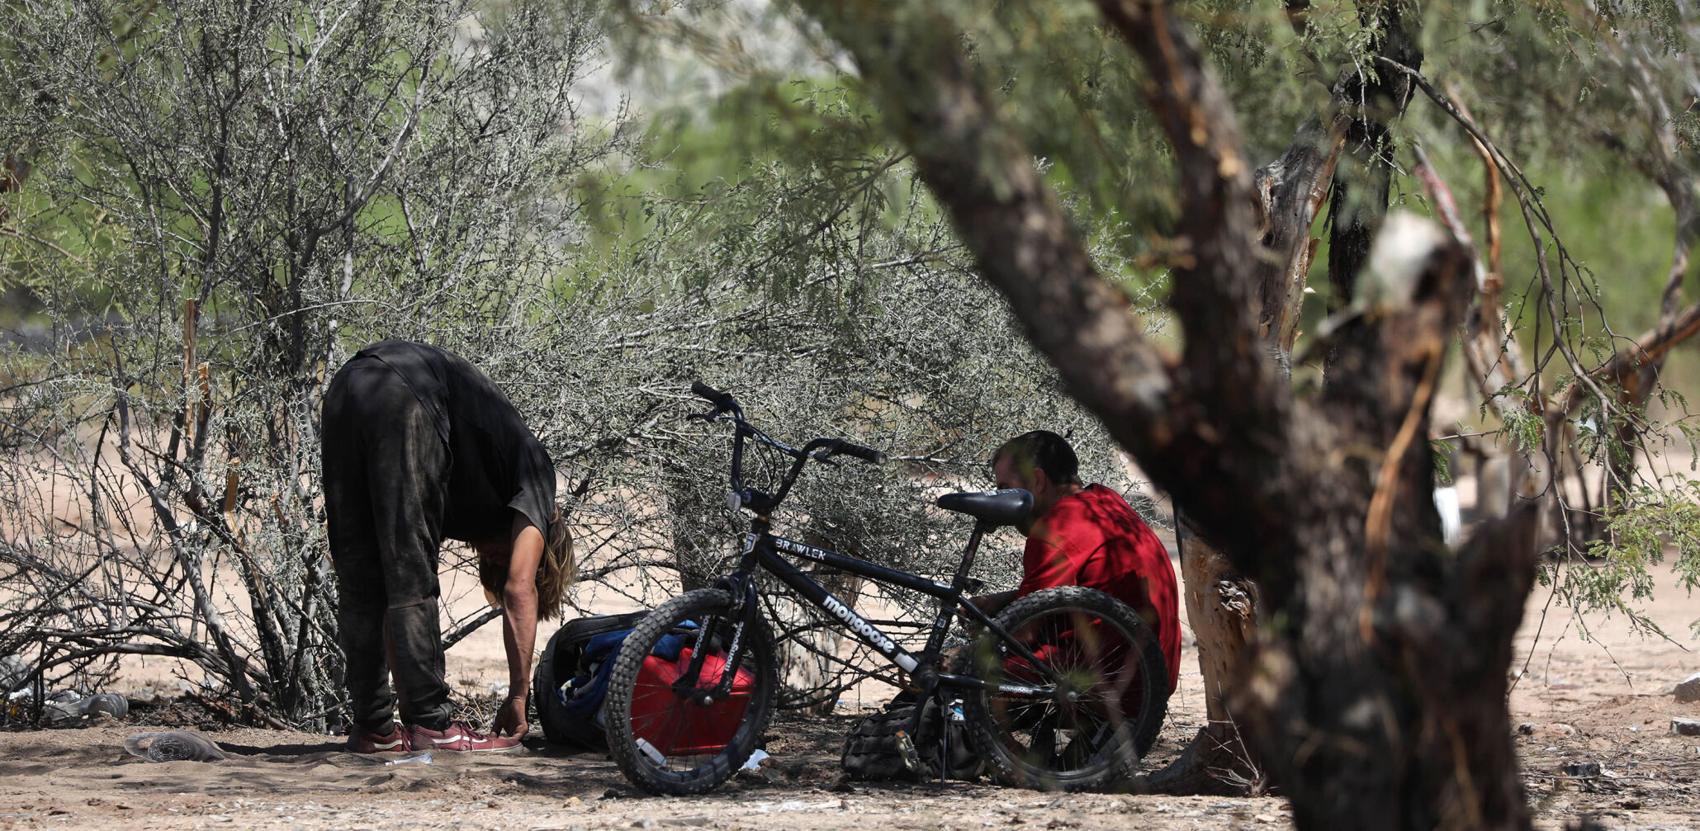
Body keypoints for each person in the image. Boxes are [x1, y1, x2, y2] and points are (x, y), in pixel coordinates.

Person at [321, 340, 574, 753]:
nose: (495, 560)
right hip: (405, 393)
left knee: (363, 578)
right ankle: (432, 725)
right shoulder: (538, 478)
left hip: (347, 387)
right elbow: (519, 588)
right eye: (506, 556)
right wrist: (517, 698)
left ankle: (375, 730)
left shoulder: (467, 488)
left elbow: (389, 592)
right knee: (407, 577)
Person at [974, 430, 1180, 692]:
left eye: (1005, 489)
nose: (1001, 499)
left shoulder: (1055, 529)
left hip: (1111, 684)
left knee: (958, 679)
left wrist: (968, 654)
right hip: (1152, 677)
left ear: (1038, 480)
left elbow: (1023, 633)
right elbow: (1075, 590)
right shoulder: (1104, 501)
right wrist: (1003, 600)